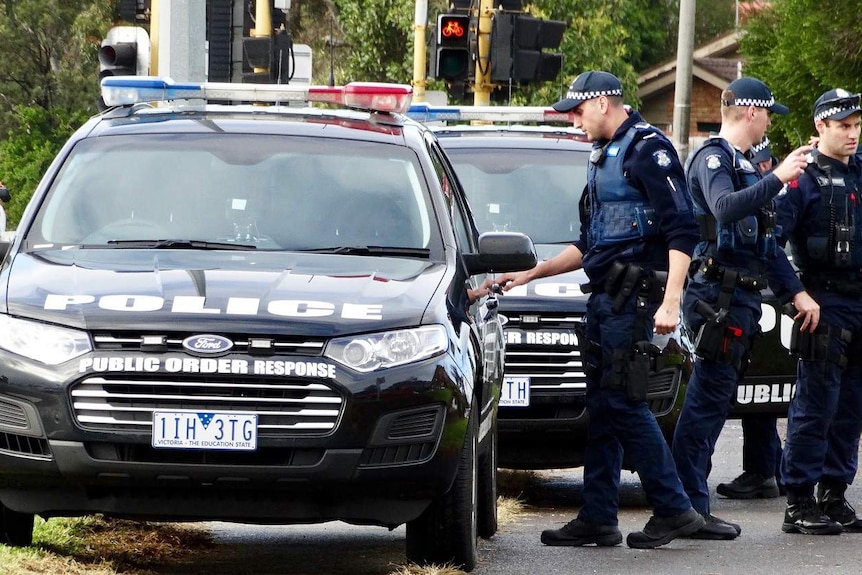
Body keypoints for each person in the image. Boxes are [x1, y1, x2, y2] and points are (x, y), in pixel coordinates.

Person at [496, 70, 705, 549]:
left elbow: (683, 230)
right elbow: (591, 242)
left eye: (577, 109)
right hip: (606, 299)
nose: (573, 119)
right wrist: (532, 273)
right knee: (603, 407)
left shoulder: (647, 151)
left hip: (634, 301)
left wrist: (671, 301)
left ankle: (674, 509)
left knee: (623, 402)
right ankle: (597, 516)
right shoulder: (603, 156)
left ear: (605, 104)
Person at [671, 77, 812, 540]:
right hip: (717, 301)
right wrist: (779, 177)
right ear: (751, 112)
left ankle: (688, 504)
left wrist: (796, 293)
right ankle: (688, 505)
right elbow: (724, 207)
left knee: (712, 403)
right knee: (706, 405)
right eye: (769, 112)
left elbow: (768, 247)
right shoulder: (714, 159)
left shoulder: (747, 165)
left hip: (741, 301)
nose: (771, 121)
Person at [769, 88, 862, 535]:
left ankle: (834, 493)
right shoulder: (801, 179)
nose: (853, 134)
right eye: (844, 125)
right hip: (822, 304)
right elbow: (769, 246)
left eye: (857, 125)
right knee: (815, 406)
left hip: (859, 303)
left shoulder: (861, 174)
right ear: (821, 126)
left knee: (850, 407)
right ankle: (800, 499)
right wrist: (796, 295)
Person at [715, 135, 784, 501]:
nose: (766, 168)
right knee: (761, 389)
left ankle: (769, 469)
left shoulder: (770, 193)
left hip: (764, 295)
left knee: (763, 388)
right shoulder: (757, 187)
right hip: (759, 295)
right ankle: (768, 468)